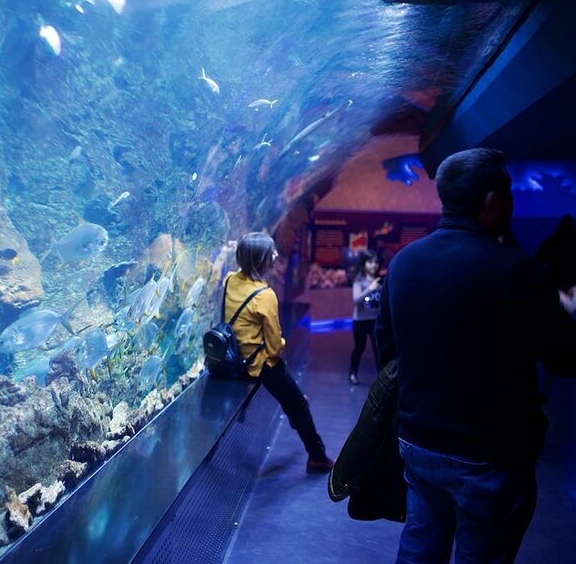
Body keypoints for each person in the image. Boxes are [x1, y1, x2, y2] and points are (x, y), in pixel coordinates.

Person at [374, 148, 576, 564]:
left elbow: (386, 350)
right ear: (492, 201)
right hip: (489, 457)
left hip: (417, 441)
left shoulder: (403, 263)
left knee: (419, 550)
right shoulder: (515, 270)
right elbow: (564, 357)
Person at [224, 232, 334, 473]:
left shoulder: (230, 281)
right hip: (259, 365)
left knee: (292, 401)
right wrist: (283, 342)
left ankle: (296, 415)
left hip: (233, 358)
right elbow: (274, 348)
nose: (276, 255)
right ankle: (317, 456)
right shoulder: (265, 296)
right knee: (300, 404)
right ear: (260, 260)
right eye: (271, 253)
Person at [348, 249, 381, 385]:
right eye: (370, 262)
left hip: (375, 321)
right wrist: (370, 289)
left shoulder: (379, 280)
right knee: (359, 348)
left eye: (376, 262)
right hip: (360, 321)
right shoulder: (359, 281)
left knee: (378, 348)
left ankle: (382, 378)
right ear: (364, 264)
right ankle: (352, 373)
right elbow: (356, 300)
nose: (374, 265)